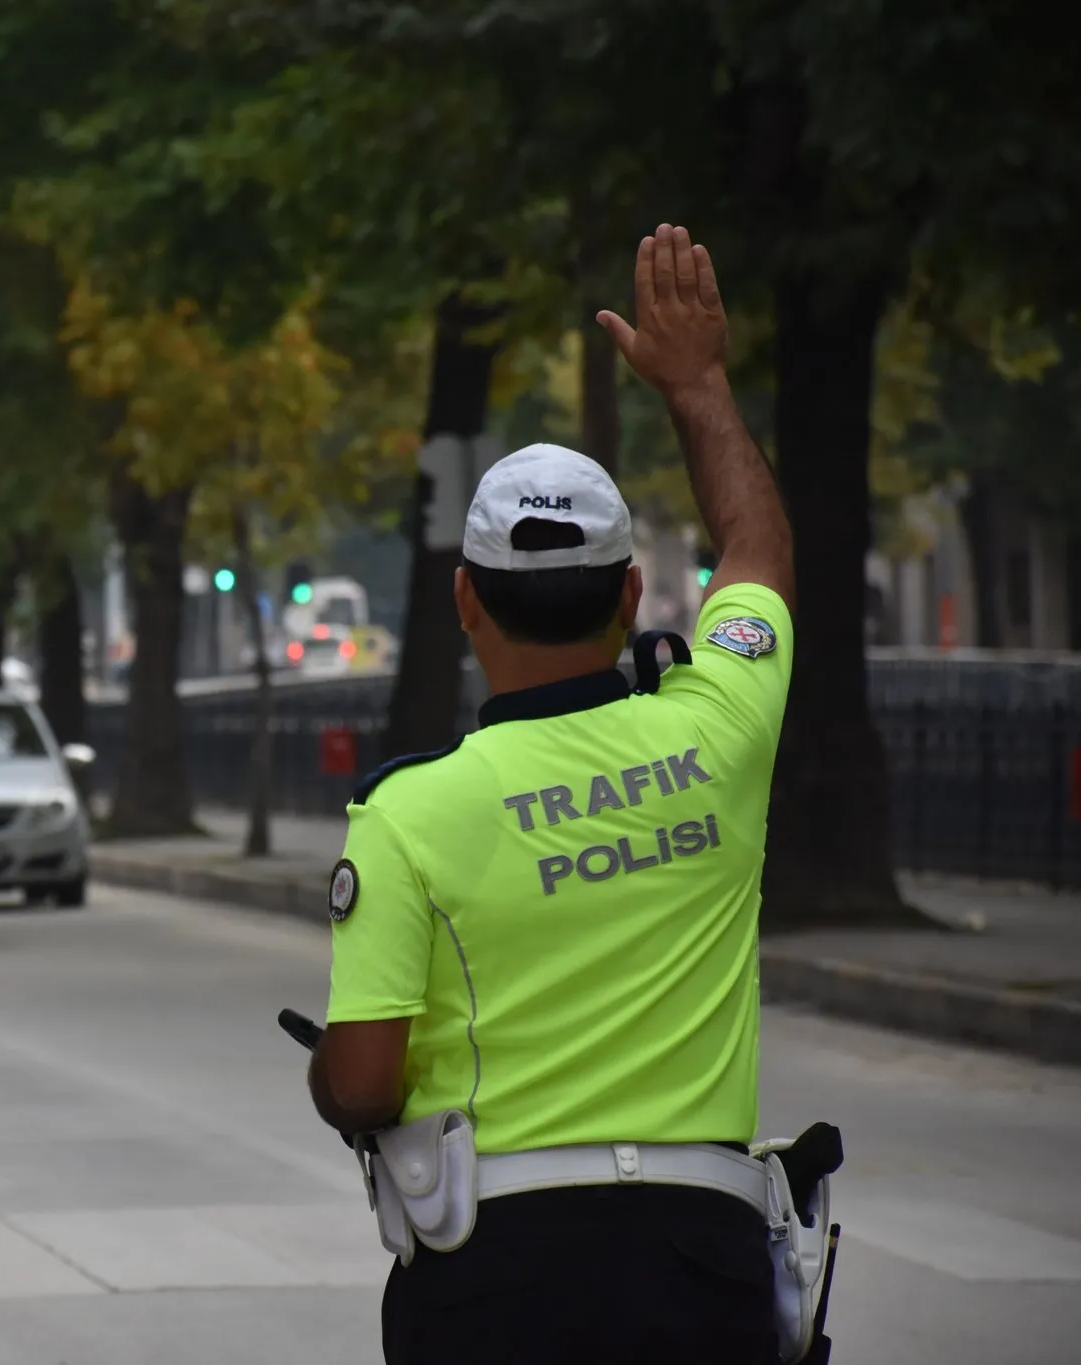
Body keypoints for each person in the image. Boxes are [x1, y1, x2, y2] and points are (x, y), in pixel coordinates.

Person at [307, 224, 796, 1365]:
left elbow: (366, 1082)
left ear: (465, 601)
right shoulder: (721, 729)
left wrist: (326, 1077)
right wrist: (697, 385)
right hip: (704, 1261)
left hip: (496, 1281)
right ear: (630, 593)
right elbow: (756, 549)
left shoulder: (409, 815)